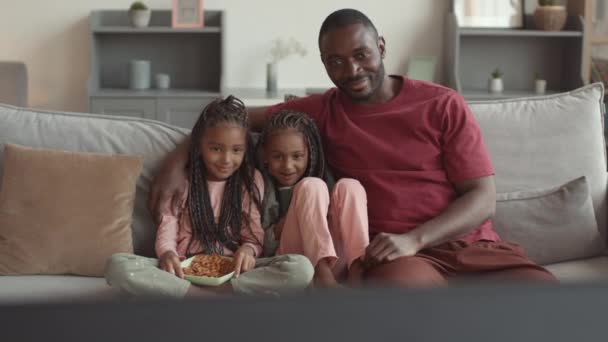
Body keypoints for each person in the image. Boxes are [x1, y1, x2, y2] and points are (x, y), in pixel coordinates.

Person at [147, 9, 556, 286]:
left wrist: (416, 237)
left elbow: (483, 198)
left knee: (550, 299)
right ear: (325, 64)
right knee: (409, 298)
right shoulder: (320, 110)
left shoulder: (442, 103)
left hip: (470, 245)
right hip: (398, 259)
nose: (352, 70)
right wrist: (176, 161)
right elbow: (231, 117)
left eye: (361, 54)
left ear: (380, 46)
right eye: (336, 61)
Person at [105, 96, 313, 298]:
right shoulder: (183, 180)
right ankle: (200, 297)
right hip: (183, 270)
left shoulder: (250, 180)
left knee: (300, 268)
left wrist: (248, 251)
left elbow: (253, 235)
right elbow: (167, 225)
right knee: (117, 266)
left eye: (236, 150)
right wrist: (168, 254)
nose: (226, 159)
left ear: (245, 149)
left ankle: (211, 295)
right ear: (199, 146)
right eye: (215, 149)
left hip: (235, 273)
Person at [256, 109, 369, 287]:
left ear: (310, 153)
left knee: (350, 186)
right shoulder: (260, 185)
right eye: (277, 157)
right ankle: (322, 275)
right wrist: (281, 226)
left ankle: (359, 269)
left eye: (297, 156)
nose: (287, 166)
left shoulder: (324, 180)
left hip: (338, 261)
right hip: (295, 264)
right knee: (310, 186)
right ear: (264, 156)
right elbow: (258, 244)